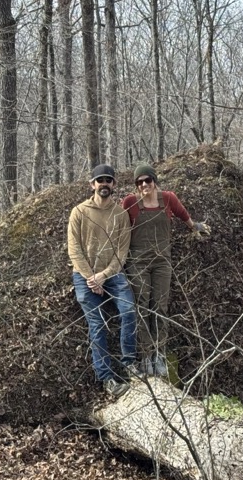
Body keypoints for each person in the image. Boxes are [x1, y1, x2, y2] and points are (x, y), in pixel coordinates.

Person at [122, 164, 210, 377]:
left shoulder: (168, 198)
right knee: (141, 306)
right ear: (136, 185)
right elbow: (119, 227)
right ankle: (144, 356)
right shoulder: (130, 202)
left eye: (148, 180)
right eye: (140, 182)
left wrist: (195, 227)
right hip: (137, 262)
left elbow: (183, 215)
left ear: (154, 180)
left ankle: (159, 353)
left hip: (162, 262)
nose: (144, 185)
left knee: (159, 306)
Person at [67, 164, 140, 397]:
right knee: (97, 324)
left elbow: (122, 252)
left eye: (108, 180)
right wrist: (91, 277)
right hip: (84, 276)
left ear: (114, 184)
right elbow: (74, 249)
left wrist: (103, 275)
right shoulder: (79, 212)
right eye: (100, 180)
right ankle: (107, 378)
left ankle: (130, 363)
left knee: (128, 311)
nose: (104, 184)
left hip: (112, 274)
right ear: (92, 184)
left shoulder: (120, 214)